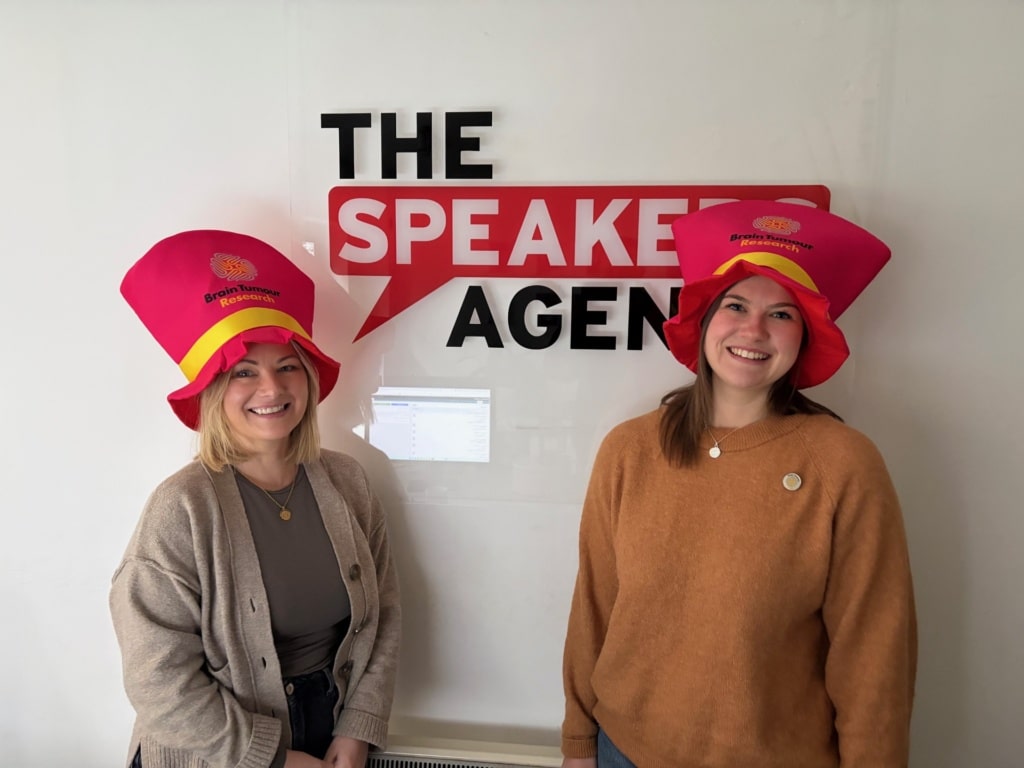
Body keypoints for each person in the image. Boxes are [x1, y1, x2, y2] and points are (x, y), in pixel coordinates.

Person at [560, 201, 917, 767]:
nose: (754, 330)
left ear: (804, 336)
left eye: (781, 314)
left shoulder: (844, 463)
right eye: (736, 305)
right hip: (624, 750)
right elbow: (594, 607)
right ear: (705, 321)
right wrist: (578, 741)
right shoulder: (629, 449)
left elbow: (874, 648)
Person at [111, 230, 401, 768]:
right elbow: (158, 679)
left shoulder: (348, 482)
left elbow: (383, 614)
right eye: (244, 372)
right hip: (213, 749)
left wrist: (359, 723)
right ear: (213, 391)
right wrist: (270, 756)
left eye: (286, 366)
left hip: (329, 728)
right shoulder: (181, 508)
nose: (271, 388)